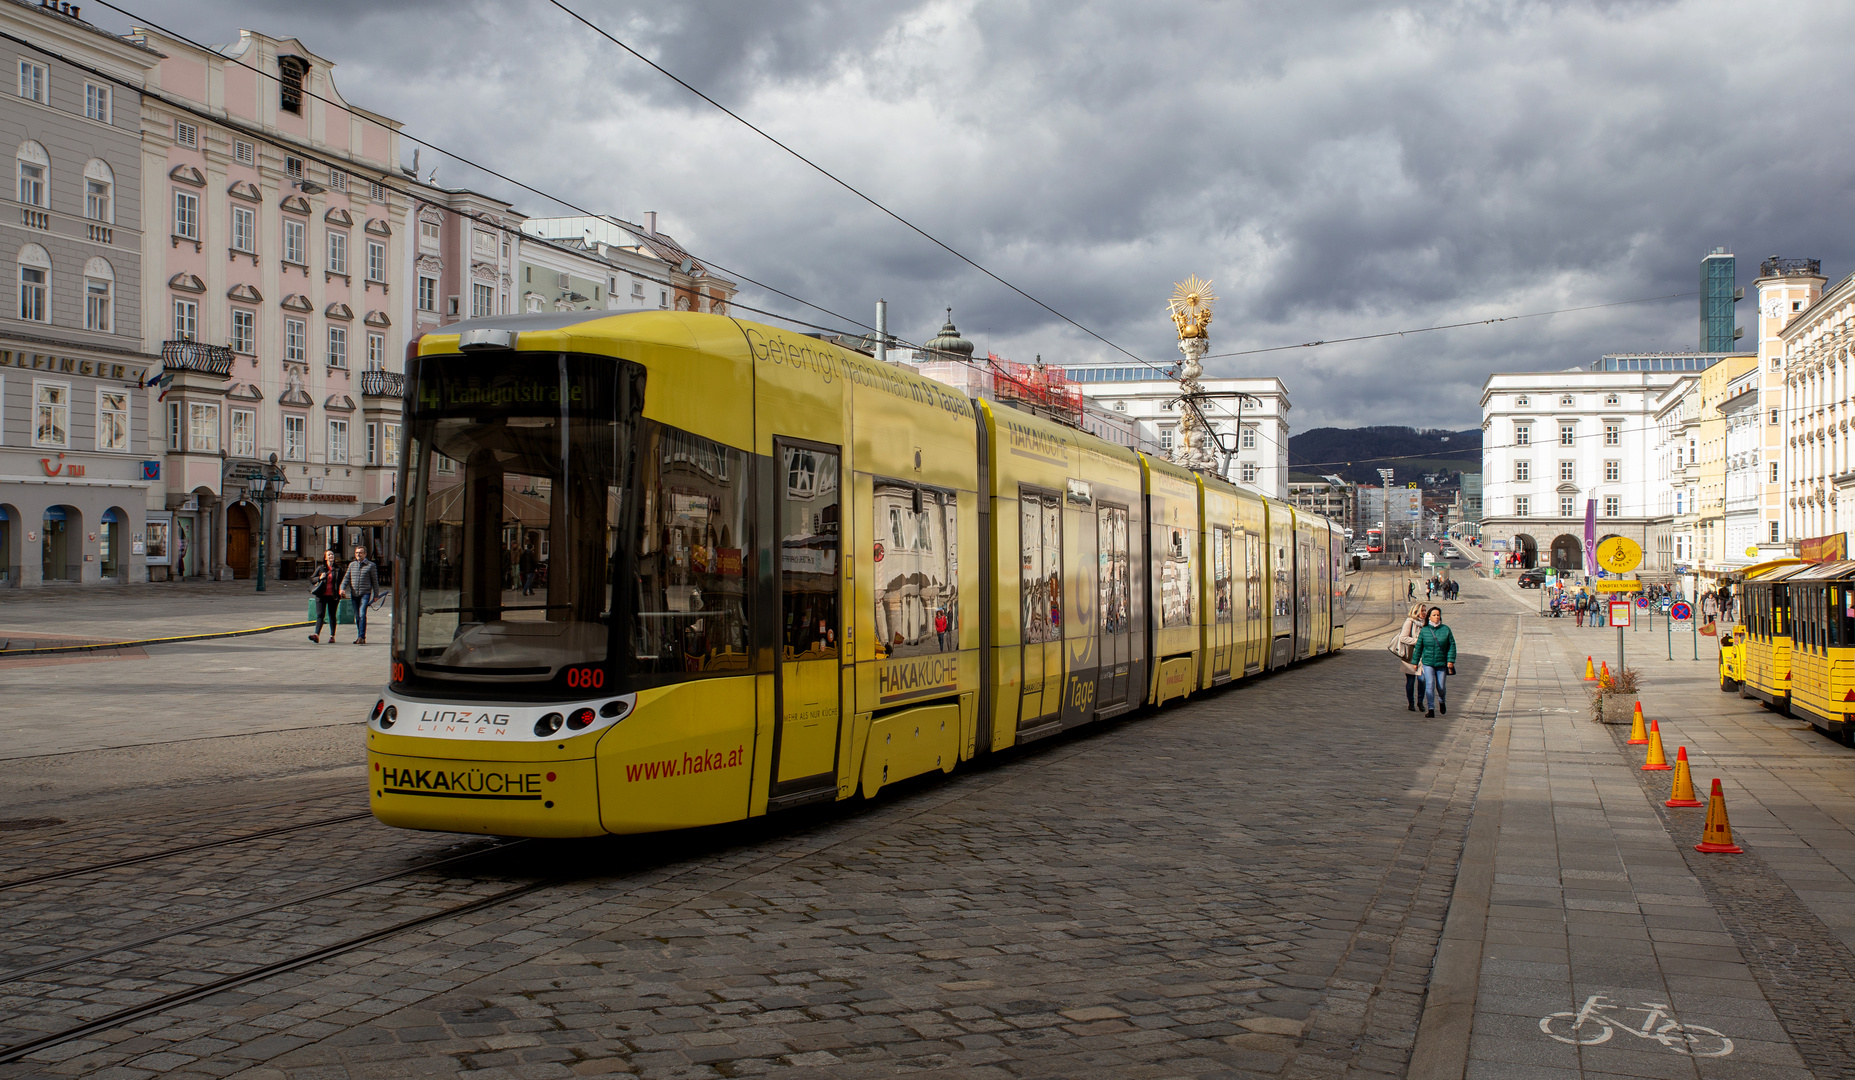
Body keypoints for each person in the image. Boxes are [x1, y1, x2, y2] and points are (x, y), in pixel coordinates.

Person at [1413, 605, 1457, 717]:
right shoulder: (1425, 631)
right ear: (1429, 617)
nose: (1436, 617)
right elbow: (1419, 647)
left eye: (1438, 615)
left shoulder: (1446, 630)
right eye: (1434, 615)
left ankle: (1442, 701)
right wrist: (1415, 662)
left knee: (1441, 687)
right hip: (1428, 663)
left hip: (1441, 663)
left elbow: (1452, 646)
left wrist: (1450, 660)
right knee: (1429, 685)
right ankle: (1431, 708)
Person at [341, 545, 381, 646]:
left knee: (362, 614)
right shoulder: (352, 565)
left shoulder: (371, 565)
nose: (358, 555)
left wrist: (376, 595)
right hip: (354, 594)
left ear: (365, 554)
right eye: (356, 553)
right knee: (357, 616)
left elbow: (375, 581)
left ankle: (361, 636)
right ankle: (360, 635)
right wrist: (342, 588)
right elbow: (346, 578)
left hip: (365, 593)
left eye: (360, 553)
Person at [1396, 602, 1426, 712]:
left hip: (1423, 655)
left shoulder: (1427, 623)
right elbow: (1403, 638)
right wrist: (1417, 641)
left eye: (1425, 610)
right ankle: (1411, 703)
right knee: (1410, 681)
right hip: (1411, 655)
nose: (1424, 612)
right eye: (1422, 610)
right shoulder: (1410, 622)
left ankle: (1420, 701)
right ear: (1416, 611)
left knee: (1422, 680)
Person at [308, 549, 342, 644]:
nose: (331, 556)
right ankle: (316, 635)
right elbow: (311, 579)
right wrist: (319, 577)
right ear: (325, 558)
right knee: (320, 615)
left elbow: (342, 581)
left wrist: (342, 590)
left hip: (333, 596)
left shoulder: (338, 569)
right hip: (321, 595)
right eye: (329, 555)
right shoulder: (321, 568)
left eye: (332, 554)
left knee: (332, 615)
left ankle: (332, 636)